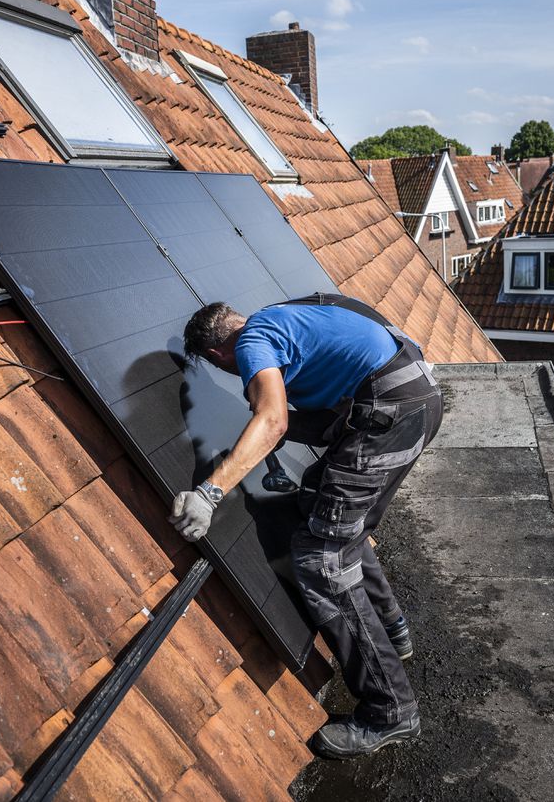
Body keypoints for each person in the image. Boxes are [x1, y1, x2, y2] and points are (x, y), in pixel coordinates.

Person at [172, 293, 443, 759]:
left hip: (388, 415)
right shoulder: (286, 317)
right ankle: (393, 630)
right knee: (331, 513)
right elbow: (324, 404)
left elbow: (273, 419)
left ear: (218, 355)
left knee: (322, 557)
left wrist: (210, 491)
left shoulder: (251, 342)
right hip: (413, 400)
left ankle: (389, 711)